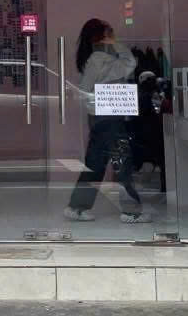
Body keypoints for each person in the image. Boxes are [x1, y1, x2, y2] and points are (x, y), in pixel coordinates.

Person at [65, 18, 151, 223]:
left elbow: (86, 90)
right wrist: (115, 44)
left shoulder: (95, 58)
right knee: (122, 161)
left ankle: (77, 207)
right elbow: (130, 62)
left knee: (95, 162)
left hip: (100, 117)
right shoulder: (101, 58)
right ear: (102, 36)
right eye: (110, 32)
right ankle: (131, 211)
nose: (114, 35)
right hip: (109, 117)